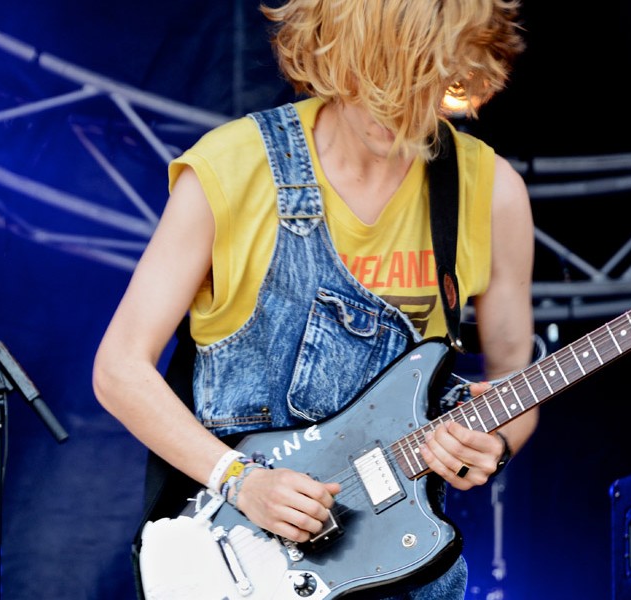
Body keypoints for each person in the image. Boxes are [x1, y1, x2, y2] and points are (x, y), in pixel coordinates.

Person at [92, 0, 537, 597]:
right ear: (338, 51)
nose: (400, 114)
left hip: (402, 567)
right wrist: (239, 479)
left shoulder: (491, 191)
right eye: (381, 84)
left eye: (424, 87)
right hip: (239, 563)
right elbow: (119, 369)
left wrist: (494, 444)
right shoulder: (233, 165)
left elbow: (514, 382)